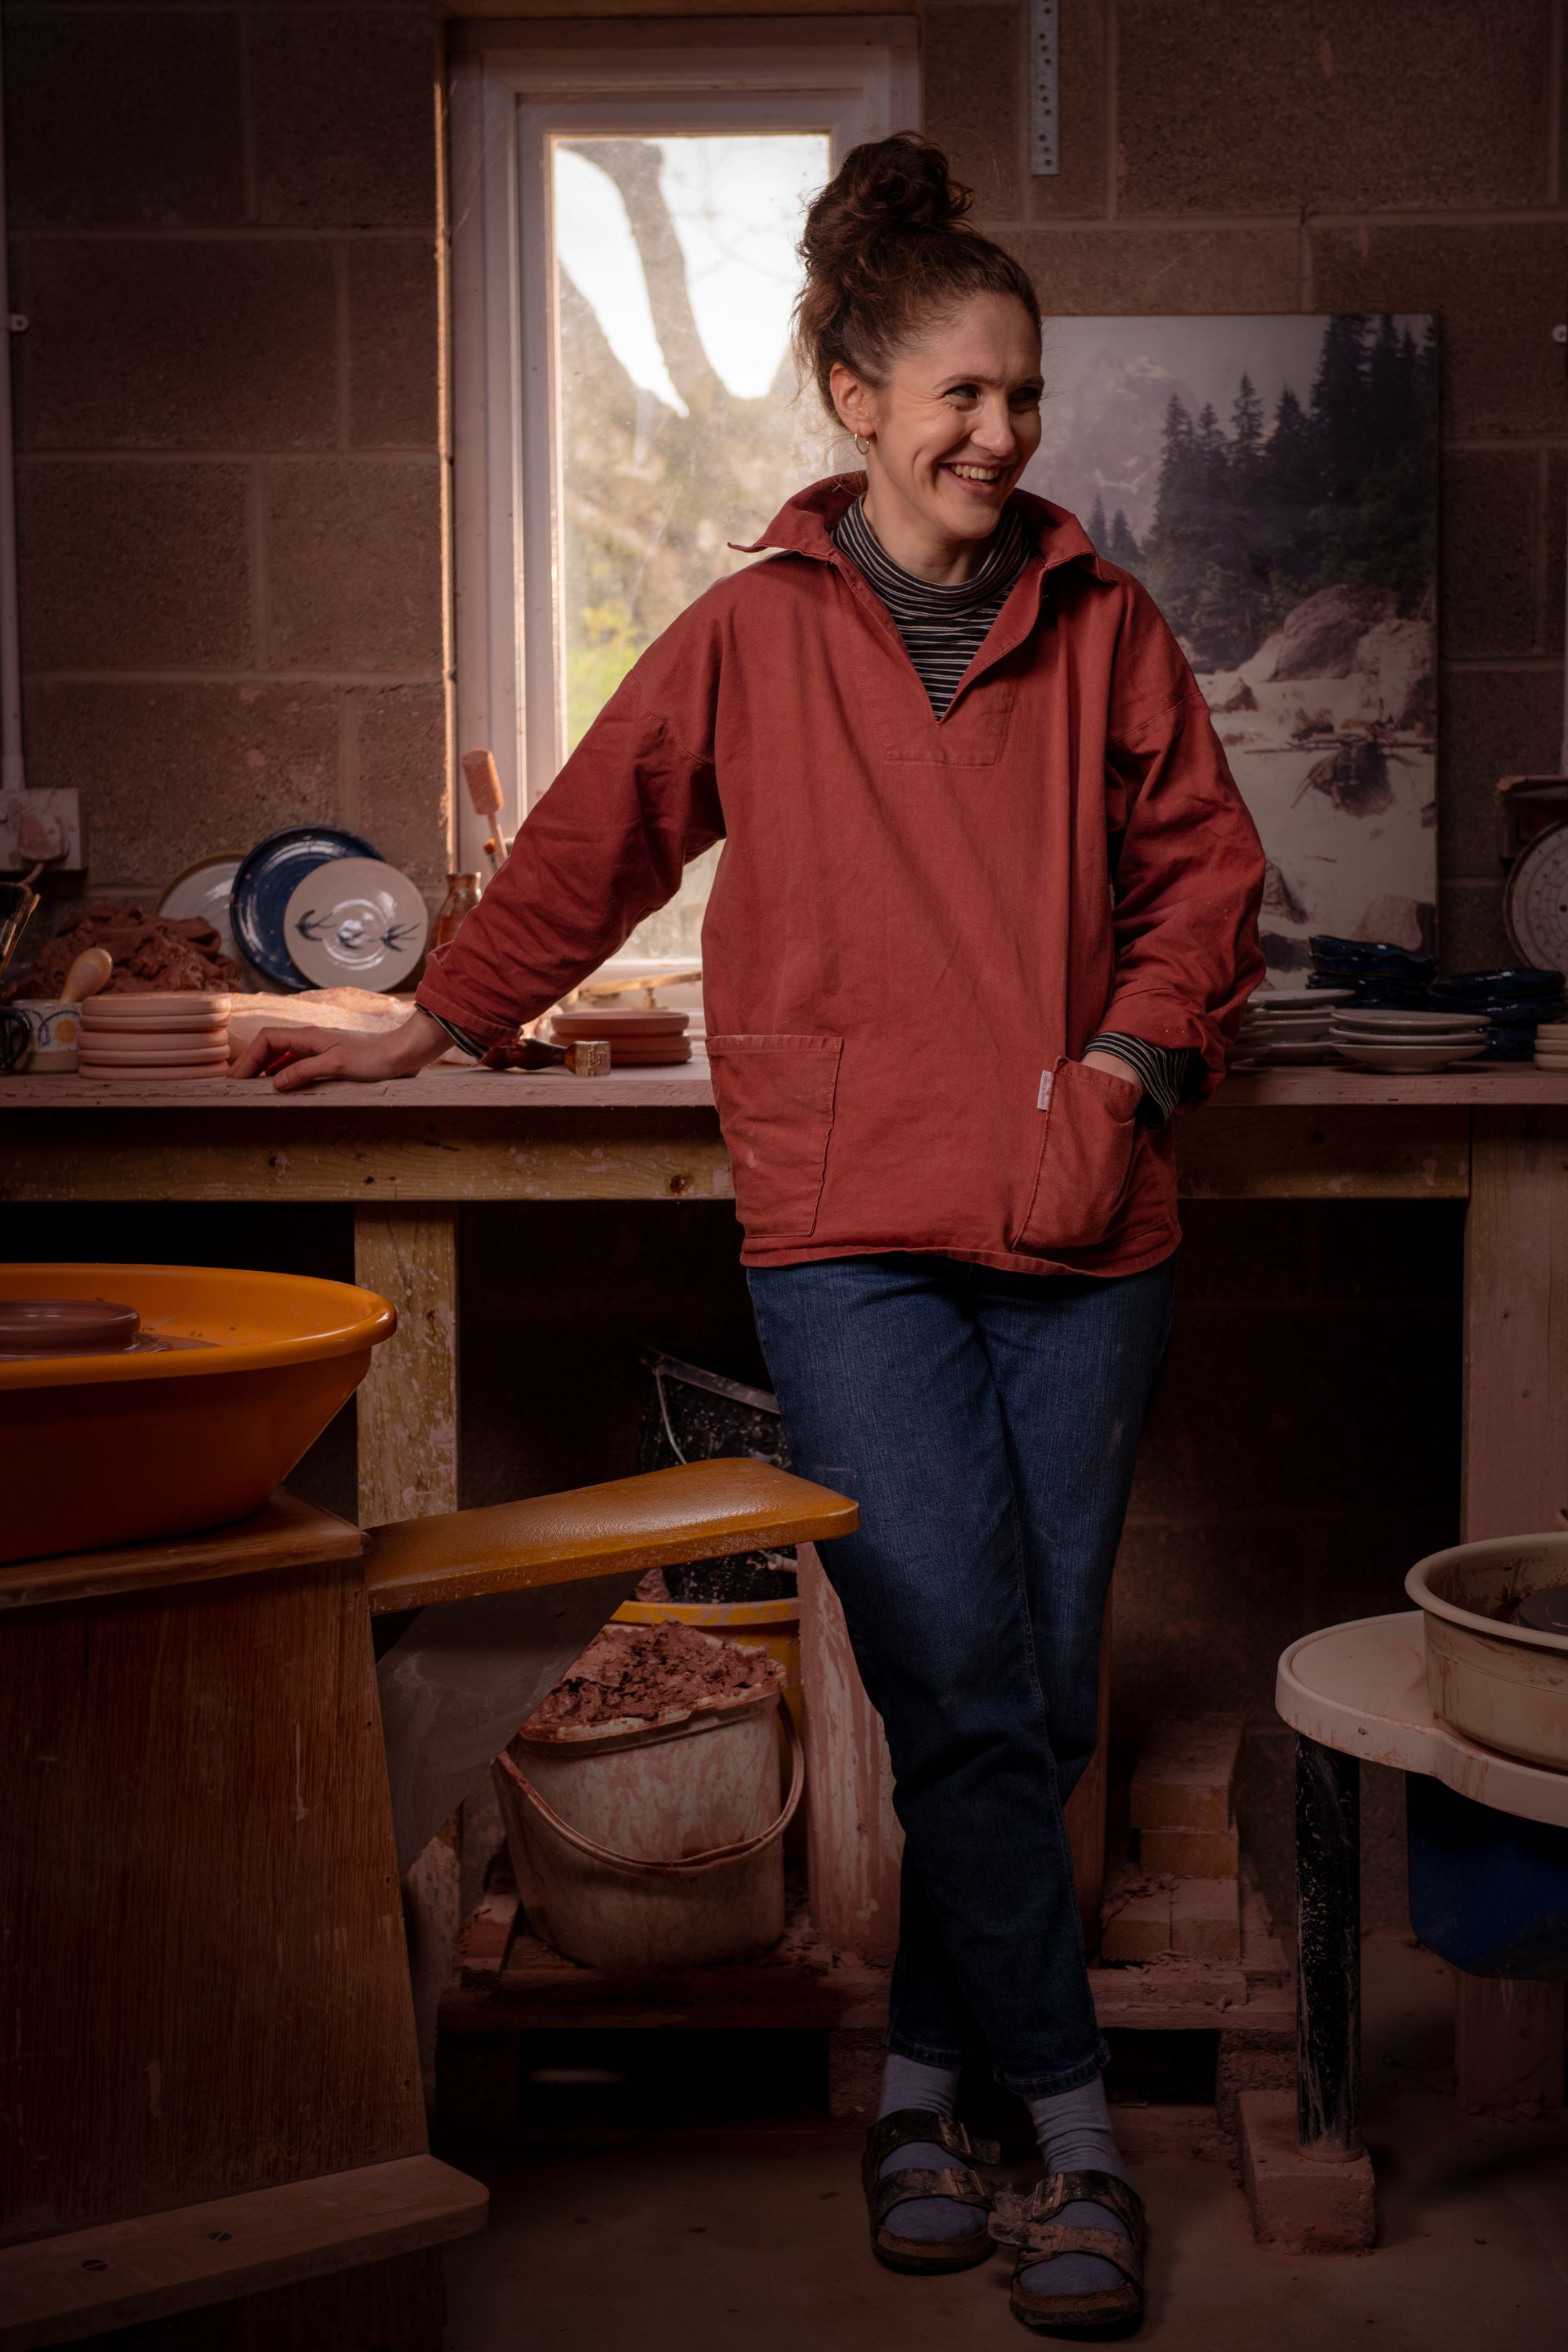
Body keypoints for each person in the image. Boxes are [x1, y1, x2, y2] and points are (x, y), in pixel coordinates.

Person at [232, 133, 1265, 2338]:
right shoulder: (746, 635)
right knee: (951, 1677)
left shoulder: (1107, 624)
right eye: (958, 395)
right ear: (857, 400)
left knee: (1026, 1702)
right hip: (850, 1230)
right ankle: (1069, 2132)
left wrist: (1126, 1068)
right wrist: (425, 1017)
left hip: (1094, 1227)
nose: (999, 433)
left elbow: (1206, 885)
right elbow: (588, 853)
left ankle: (916, 2087)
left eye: (1024, 395)